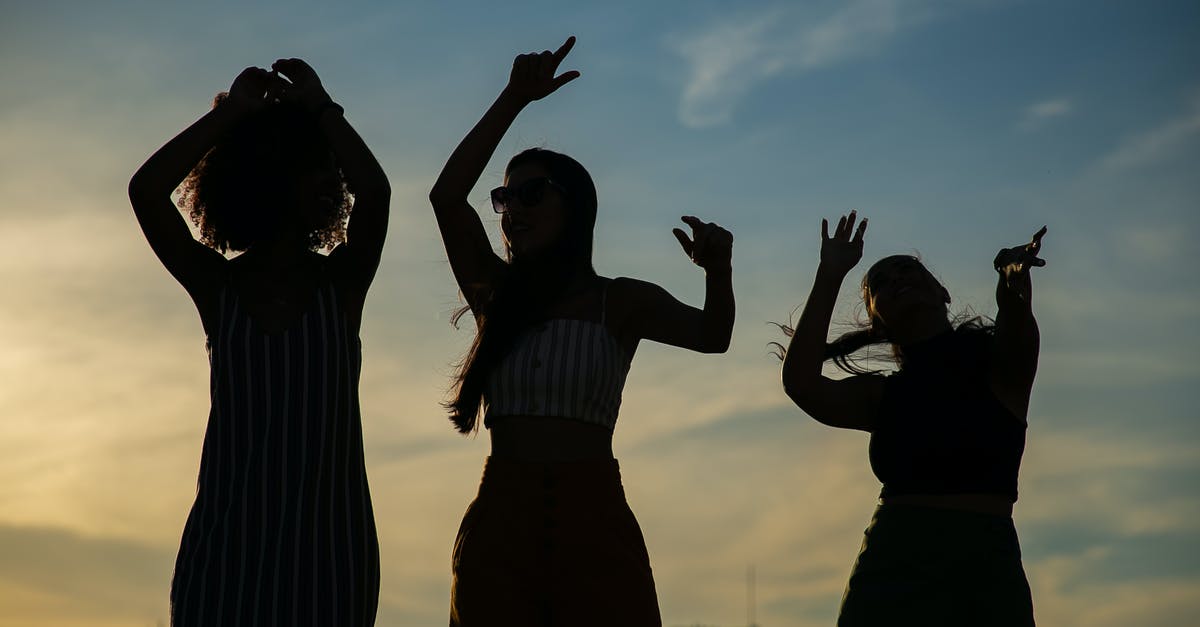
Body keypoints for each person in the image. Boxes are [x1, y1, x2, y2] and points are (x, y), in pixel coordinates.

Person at [429, 37, 735, 626]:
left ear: (576, 207)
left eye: (531, 193)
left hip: (595, 517)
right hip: (502, 520)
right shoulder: (495, 294)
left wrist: (717, 270)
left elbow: (713, 335)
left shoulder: (619, 301)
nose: (512, 208)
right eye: (504, 197)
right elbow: (446, 197)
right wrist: (514, 98)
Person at [128, 59, 389, 626]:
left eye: (305, 165)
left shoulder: (341, 286)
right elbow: (147, 191)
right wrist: (229, 116)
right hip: (226, 555)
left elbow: (375, 191)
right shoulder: (218, 287)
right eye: (274, 163)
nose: (299, 178)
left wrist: (322, 107)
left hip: (329, 558)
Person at [778, 211, 1044, 626]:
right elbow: (802, 384)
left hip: (985, 567)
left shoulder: (998, 366)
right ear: (876, 320)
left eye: (908, 270)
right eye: (880, 283)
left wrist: (1011, 276)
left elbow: (1017, 319)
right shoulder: (881, 394)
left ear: (943, 292)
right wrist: (830, 275)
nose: (897, 279)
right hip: (891, 568)